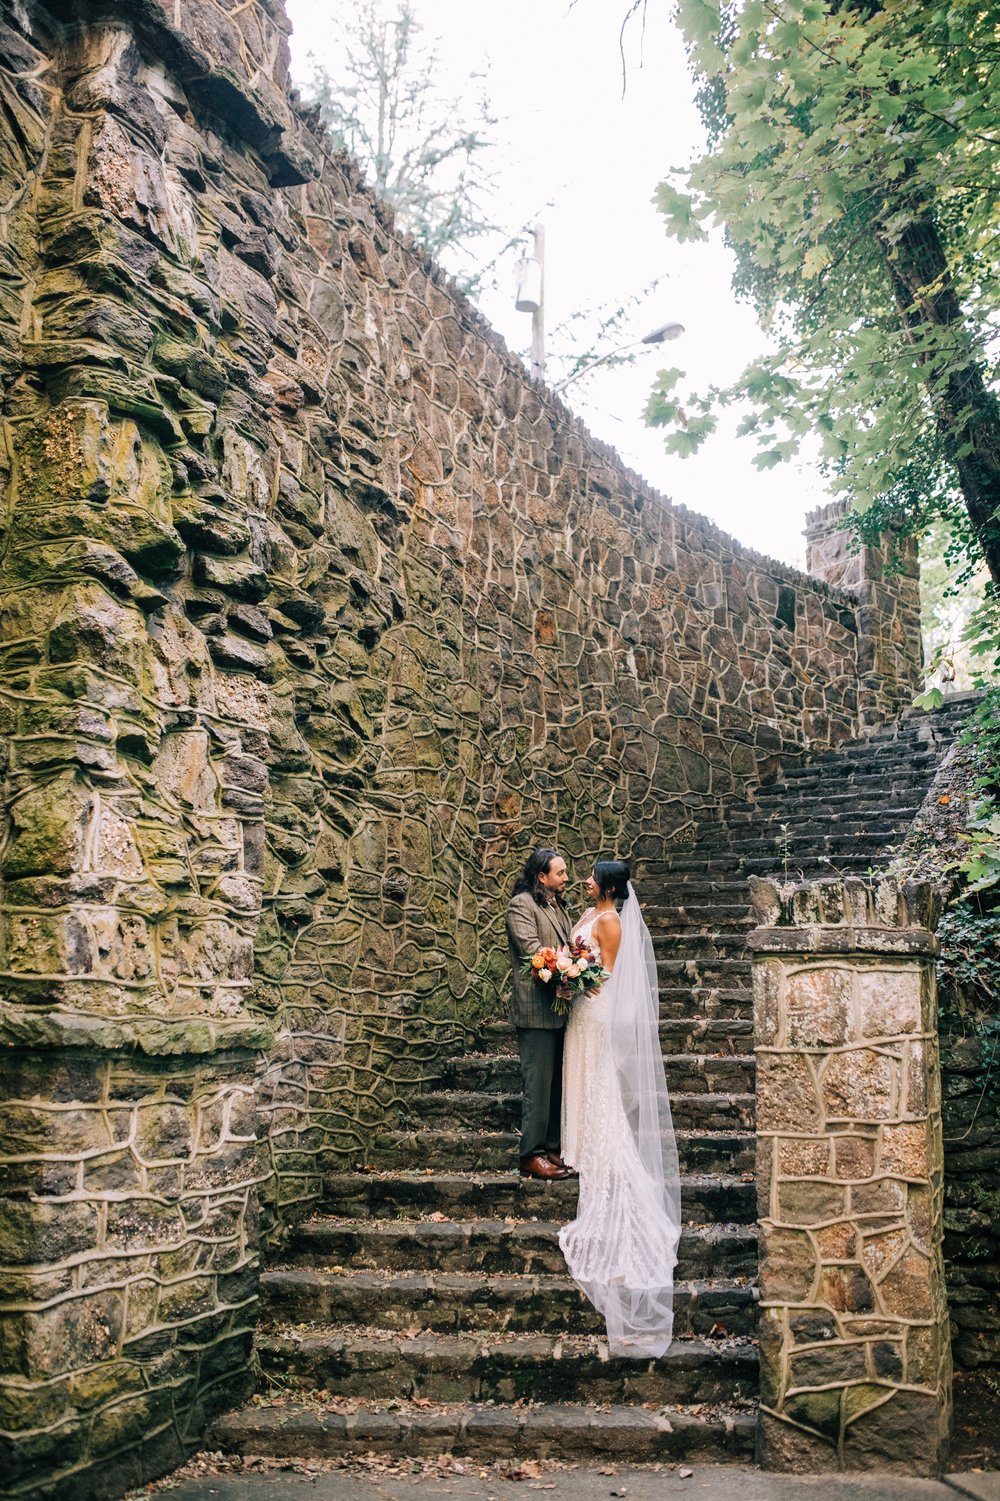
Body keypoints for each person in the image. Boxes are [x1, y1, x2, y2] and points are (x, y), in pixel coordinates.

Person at [559, 859, 681, 1357]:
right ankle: (579, 1136)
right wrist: (563, 973)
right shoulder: (591, 914)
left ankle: (596, 1141)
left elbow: (608, 971)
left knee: (597, 1076)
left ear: (608, 887)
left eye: (591, 877)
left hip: (597, 1005)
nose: (585, 882)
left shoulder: (609, 921)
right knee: (581, 1070)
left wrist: (578, 975)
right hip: (581, 1005)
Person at [505, 847, 572, 1181]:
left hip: (559, 1010)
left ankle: (551, 1148)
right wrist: (565, 970)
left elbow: (566, 948)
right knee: (537, 1084)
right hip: (535, 1010)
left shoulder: (558, 906)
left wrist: (576, 966)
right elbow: (532, 950)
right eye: (560, 873)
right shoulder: (521, 905)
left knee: (555, 1084)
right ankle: (530, 1155)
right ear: (541, 877)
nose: (566, 877)